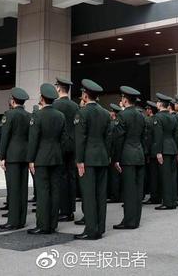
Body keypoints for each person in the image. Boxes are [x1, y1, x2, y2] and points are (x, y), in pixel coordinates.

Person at [74, 79, 112, 240]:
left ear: (85, 94)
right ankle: (100, 227)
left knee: (89, 195)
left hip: (88, 159)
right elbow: (109, 137)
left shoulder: (82, 113)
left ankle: (91, 230)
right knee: (101, 194)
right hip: (102, 157)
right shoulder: (105, 113)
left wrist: (79, 160)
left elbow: (80, 139)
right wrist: (108, 155)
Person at [27, 83, 66, 235]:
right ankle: (53, 223)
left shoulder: (37, 116)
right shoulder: (60, 116)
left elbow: (33, 140)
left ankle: (43, 225)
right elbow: (63, 139)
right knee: (55, 191)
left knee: (43, 192)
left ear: (42, 98)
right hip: (56, 157)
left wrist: (31, 159)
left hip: (41, 158)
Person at [112, 86, 146, 229]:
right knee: (138, 191)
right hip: (139, 154)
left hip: (127, 156)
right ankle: (135, 220)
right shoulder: (141, 115)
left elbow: (119, 139)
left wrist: (116, 159)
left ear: (125, 100)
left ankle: (129, 221)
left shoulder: (123, 115)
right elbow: (144, 137)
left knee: (129, 190)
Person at [0, 87, 31, 230]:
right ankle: (21, 219)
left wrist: (2, 155)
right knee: (23, 188)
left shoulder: (9, 115)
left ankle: (13, 220)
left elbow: (5, 136)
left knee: (13, 188)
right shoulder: (29, 116)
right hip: (25, 155)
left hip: (12, 155)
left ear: (13, 100)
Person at [52, 77, 79, 222]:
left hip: (60, 145)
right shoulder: (75, 106)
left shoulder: (55, 105)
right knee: (71, 177)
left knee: (61, 178)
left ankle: (63, 209)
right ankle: (70, 210)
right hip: (73, 145)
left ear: (58, 88)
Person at [152, 93, 178, 211]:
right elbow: (175, 135)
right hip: (172, 147)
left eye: (157, 102)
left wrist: (158, 152)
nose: (156, 103)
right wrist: (177, 151)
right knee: (172, 177)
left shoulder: (158, 117)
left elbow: (158, 136)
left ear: (160, 104)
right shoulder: (173, 117)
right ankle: (173, 200)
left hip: (164, 149)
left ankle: (167, 202)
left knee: (166, 177)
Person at [142, 101, 160, 205]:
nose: (146, 111)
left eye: (148, 109)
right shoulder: (156, 119)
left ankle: (154, 197)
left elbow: (147, 139)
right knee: (157, 175)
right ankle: (158, 195)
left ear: (150, 110)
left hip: (152, 152)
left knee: (153, 176)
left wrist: (146, 152)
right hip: (158, 150)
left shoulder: (148, 121)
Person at [108, 103, 123, 203]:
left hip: (114, 152)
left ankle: (115, 196)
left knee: (114, 176)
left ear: (113, 113)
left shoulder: (113, 124)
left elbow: (111, 140)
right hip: (122, 152)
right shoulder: (119, 123)